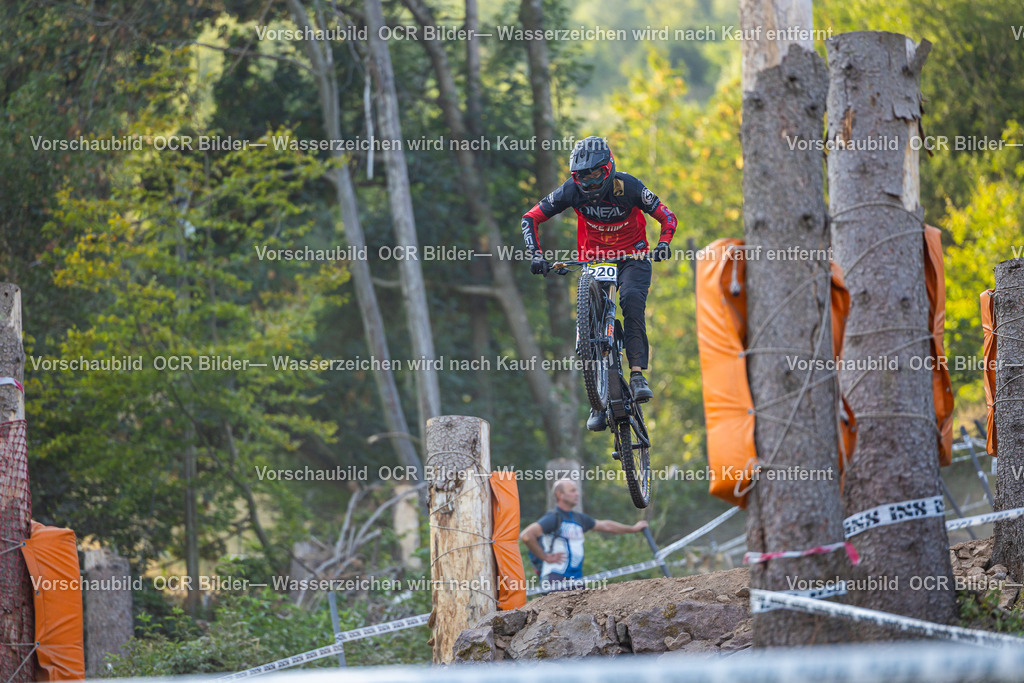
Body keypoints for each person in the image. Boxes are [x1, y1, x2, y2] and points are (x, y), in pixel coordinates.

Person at [520, 136, 678, 431]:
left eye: (596, 175)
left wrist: (664, 243)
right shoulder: (570, 192)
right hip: (594, 259)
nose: (590, 184)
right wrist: (536, 255)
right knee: (589, 321)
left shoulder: (629, 186)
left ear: (609, 169)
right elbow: (530, 218)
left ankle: (637, 374)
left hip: (633, 256)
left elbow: (666, 215)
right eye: (583, 177)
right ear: (574, 177)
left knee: (631, 300)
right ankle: (597, 400)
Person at [519, 479, 649, 591]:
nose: (577, 494)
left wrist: (633, 529)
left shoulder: (579, 518)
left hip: (576, 580)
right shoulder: (553, 517)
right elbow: (526, 535)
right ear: (560, 495)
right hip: (555, 577)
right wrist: (545, 557)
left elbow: (606, 526)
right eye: (572, 491)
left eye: (577, 490)